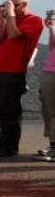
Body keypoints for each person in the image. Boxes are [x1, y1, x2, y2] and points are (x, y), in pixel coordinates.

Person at [0, 0, 45, 157]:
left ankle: (9, 147)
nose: (8, 8)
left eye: (13, 5)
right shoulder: (11, 20)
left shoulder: (34, 20)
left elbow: (14, 35)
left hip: (12, 73)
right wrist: (4, 19)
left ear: (24, 5)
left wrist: (10, 16)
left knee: (8, 112)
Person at [40, 8, 55, 161]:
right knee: (49, 112)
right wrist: (52, 29)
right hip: (49, 71)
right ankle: (52, 145)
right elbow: (52, 47)